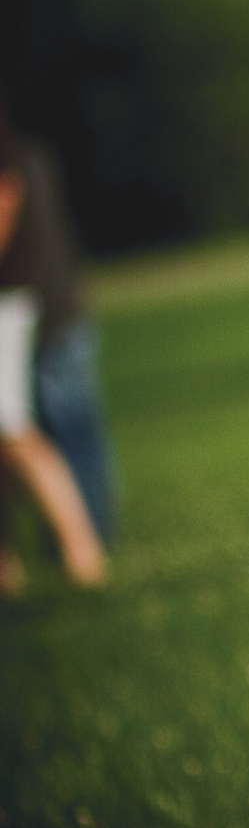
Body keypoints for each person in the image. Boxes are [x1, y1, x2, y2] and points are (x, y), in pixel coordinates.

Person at [0, 103, 107, 594]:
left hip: (25, 310)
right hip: (50, 308)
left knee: (18, 432)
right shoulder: (35, 155)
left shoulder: (16, 163)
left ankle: (82, 547)